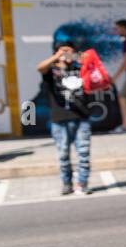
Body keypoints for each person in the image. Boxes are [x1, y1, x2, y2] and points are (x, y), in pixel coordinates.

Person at [37, 40, 92, 195]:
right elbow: (40, 68)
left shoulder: (80, 68)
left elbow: (95, 70)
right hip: (59, 118)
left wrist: (76, 57)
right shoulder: (51, 71)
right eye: (62, 51)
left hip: (81, 117)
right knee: (63, 154)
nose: (65, 54)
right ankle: (66, 183)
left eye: (69, 51)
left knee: (83, 153)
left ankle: (83, 183)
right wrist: (57, 57)